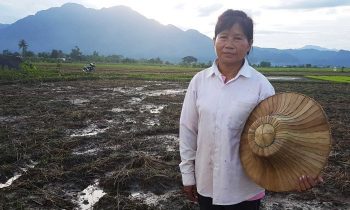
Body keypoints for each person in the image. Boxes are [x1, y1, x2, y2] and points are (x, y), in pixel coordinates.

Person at [179, 9, 323, 210]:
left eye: (238, 38)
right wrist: (188, 174)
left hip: (245, 188)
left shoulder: (261, 86)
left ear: (249, 45)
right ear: (214, 41)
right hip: (207, 183)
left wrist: (301, 171)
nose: (229, 44)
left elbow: (280, 136)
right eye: (223, 37)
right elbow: (188, 130)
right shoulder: (199, 81)